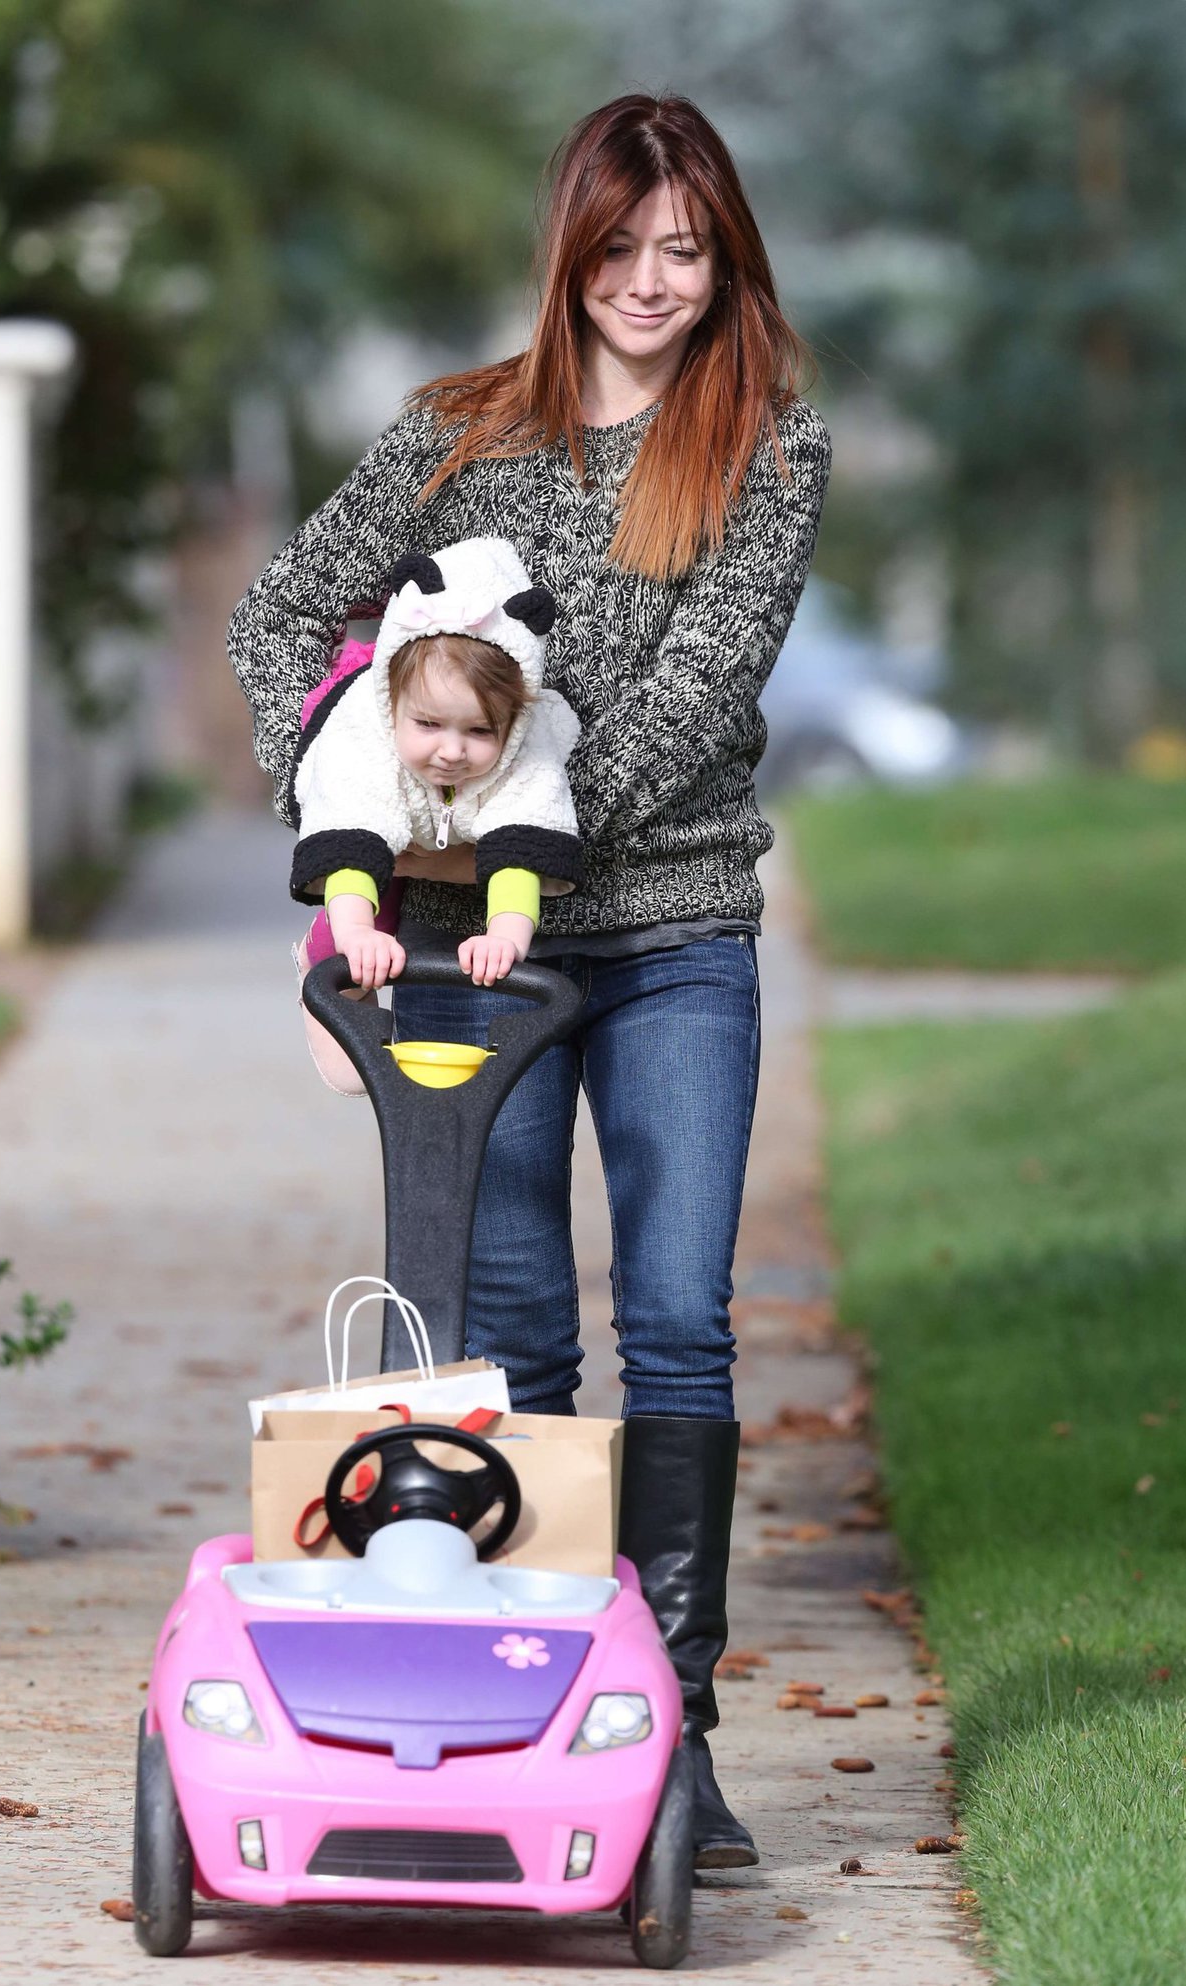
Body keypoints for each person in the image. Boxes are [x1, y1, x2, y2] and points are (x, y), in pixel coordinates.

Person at [230, 92, 833, 1870]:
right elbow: (278, 617)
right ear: (568, 249)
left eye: (686, 252)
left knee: (677, 1320)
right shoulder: (449, 437)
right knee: (507, 1345)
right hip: (454, 970)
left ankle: (680, 1732)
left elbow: (696, 696)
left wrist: (510, 832)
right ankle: (539, 1708)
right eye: (622, 248)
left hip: (664, 940)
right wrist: (349, 795)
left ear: (722, 262)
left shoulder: (766, 449)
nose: (652, 283)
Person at [287, 536, 582, 1094]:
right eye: (429, 726)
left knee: (512, 848)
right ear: (394, 704)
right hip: (388, 808)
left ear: (512, 723)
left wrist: (505, 935)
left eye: (478, 731)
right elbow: (350, 834)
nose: (451, 751)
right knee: (366, 881)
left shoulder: (529, 750)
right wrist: (356, 938)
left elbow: (524, 844)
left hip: (458, 818)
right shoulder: (364, 741)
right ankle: (321, 959)